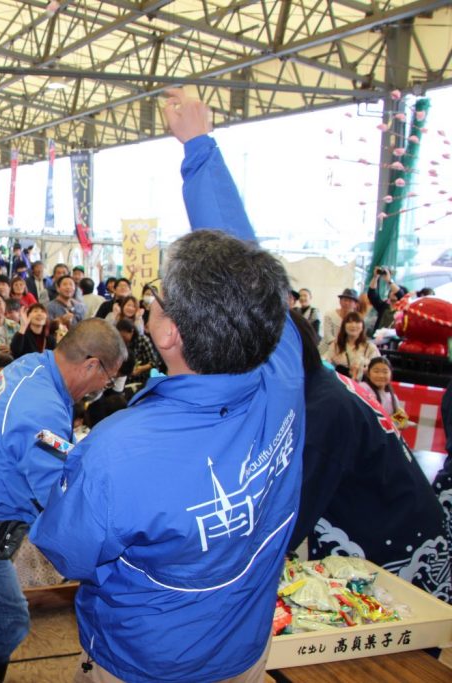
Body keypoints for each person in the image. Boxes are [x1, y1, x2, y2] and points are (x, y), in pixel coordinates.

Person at [32, 89, 301, 683]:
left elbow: (65, 551)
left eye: (156, 297)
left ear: (169, 333)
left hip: (144, 664)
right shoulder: (282, 370)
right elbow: (247, 258)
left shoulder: (118, 450)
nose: (148, 301)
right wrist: (199, 151)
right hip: (246, 649)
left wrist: (63, 479)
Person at [0, 318, 126, 680]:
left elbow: (31, 442)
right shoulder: (44, 409)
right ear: (92, 364)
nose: (101, 389)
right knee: (6, 622)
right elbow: (55, 496)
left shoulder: (31, 365)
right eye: (106, 380)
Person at [286, 312, 449, 601]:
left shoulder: (324, 409)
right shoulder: (324, 384)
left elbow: (291, 514)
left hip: (396, 549)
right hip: (391, 526)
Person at [323, 311, 378, 381]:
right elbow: (327, 366)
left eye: (357, 322)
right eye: (349, 322)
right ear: (344, 326)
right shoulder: (336, 345)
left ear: (362, 326)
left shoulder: (370, 347)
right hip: (340, 382)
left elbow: (377, 368)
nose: (353, 325)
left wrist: (362, 370)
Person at [367, 267, 406, 333]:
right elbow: (372, 294)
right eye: (391, 291)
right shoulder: (383, 306)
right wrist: (375, 277)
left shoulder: (404, 308)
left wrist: (389, 280)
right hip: (378, 338)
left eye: (394, 290)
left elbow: (400, 295)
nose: (393, 292)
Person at [319, 288, 359, 353]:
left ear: (355, 304)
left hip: (347, 351)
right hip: (327, 349)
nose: (347, 303)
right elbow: (328, 335)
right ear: (340, 301)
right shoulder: (329, 314)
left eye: (350, 301)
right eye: (345, 300)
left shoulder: (357, 320)